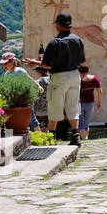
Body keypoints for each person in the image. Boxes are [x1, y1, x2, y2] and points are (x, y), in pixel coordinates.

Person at [25, 13, 86, 146]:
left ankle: (51, 136)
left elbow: (48, 65)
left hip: (59, 76)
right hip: (75, 75)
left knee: (54, 105)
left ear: (58, 25)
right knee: (73, 105)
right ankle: (75, 135)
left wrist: (35, 62)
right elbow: (82, 60)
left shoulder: (55, 42)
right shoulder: (78, 40)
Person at [0, 53, 40, 133]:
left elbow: (30, 79)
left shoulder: (20, 71)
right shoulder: (6, 75)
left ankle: (40, 136)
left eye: (6, 63)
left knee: (31, 118)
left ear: (12, 61)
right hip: (15, 99)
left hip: (26, 97)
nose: (4, 66)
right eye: (3, 64)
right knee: (19, 118)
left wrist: (38, 86)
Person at [77, 64, 102, 140]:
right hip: (90, 103)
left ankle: (85, 139)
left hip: (80, 103)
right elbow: (99, 91)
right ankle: (86, 138)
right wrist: (99, 102)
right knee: (86, 123)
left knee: (80, 124)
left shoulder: (79, 80)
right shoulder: (94, 79)